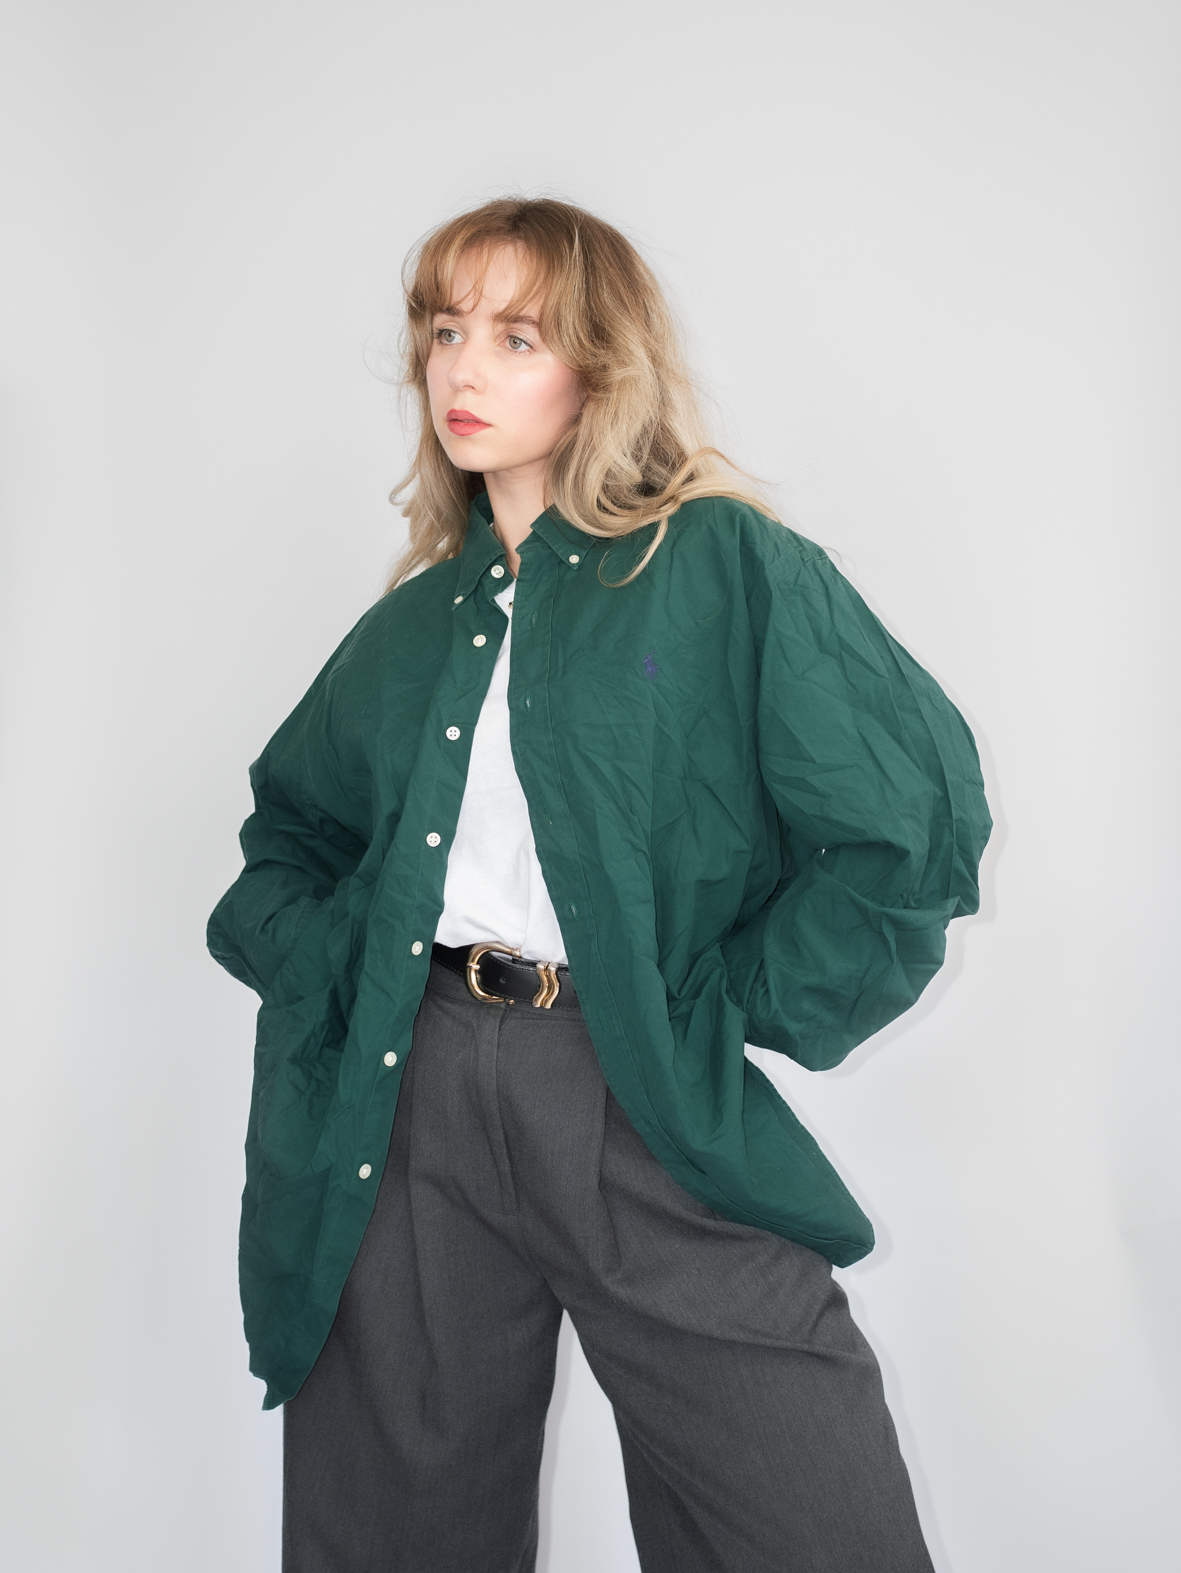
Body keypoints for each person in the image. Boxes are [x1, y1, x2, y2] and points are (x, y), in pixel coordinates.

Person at [208, 196, 991, 1573]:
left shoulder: (720, 563)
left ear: (599, 366)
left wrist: (718, 1004)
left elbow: (902, 824)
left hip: (630, 1076)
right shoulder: (415, 625)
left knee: (809, 1512)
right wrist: (346, 960)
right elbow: (288, 841)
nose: (462, 369)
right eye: (446, 332)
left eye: (517, 337)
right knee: (396, 1519)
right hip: (411, 1093)